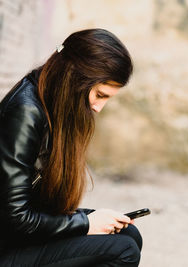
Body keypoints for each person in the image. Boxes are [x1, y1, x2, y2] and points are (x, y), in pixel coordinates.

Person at [0, 28, 142, 266]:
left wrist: (93, 220)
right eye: (99, 95)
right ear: (76, 79)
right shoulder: (25, 113)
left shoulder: (49, 101)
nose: (98, 108)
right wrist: (86, 223)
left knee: (127, 234)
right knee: (123, 250)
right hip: (7, 245)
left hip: (17, 237)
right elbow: (15, 218)